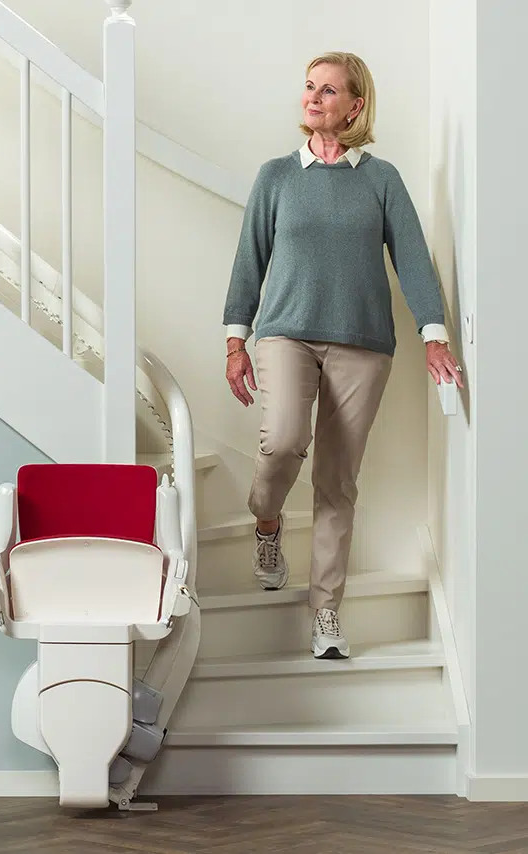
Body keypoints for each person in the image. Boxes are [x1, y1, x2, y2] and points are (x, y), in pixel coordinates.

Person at [222, 51, 463, 660]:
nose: (313, 98)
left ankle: (326, 613)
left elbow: (412, 256)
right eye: (309, 86)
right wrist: (235, 338)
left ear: (355, 106)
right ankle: (268, 525)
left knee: (337, 482)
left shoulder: (379, 178)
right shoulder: (276, 175)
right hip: (285, 334)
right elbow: (250, 259)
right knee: (280, 443)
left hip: (363, 345)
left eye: (328, 90)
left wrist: (434, 332)